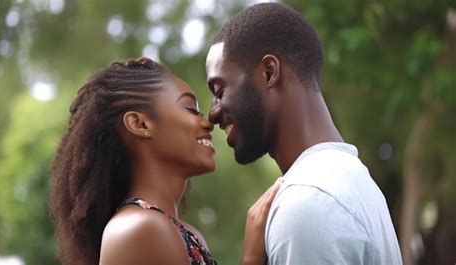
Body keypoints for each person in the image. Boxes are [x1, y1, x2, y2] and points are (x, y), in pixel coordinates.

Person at [205, 3, 403, 264]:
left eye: (220, 92)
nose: (212, 115)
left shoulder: (308, 203)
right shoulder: (352, 180)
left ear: (269, 72)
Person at [50, 57, 281, 265]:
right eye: (191, 109)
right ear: (140, 124)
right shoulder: (140, 229)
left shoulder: (176, 230)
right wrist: (252, 256)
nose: (208, 122)